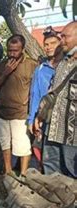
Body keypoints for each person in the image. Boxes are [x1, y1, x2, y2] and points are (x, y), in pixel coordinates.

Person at [0, 34, 38, 176]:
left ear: (23, 49)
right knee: (5, 144)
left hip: (20, 113)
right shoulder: (2, 64)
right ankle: (8, 172)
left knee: (22, 146)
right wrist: (6, 72)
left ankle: (23, 175)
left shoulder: (31, 65)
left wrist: (30, 103)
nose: (12, 54)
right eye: (10, 50)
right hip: (1, 112)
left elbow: (36, 87)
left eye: (15, 50)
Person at [37, 21, 77, 178]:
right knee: (51, 168)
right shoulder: (62, 63)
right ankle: (56, 202)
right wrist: (40, 115)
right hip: (52, 128)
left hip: (72, 132)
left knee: (72, 170)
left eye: (65, 36)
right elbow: (53, 92)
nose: (62, 40)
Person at [26, 27, 62, 167]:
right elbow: (35, 95)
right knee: (44, 158)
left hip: (66, 120)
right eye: (46, 44)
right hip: (44, 119)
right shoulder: (40, 69)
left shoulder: (69, 65)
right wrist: (31, 119)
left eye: (53, 43)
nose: (48, 47)